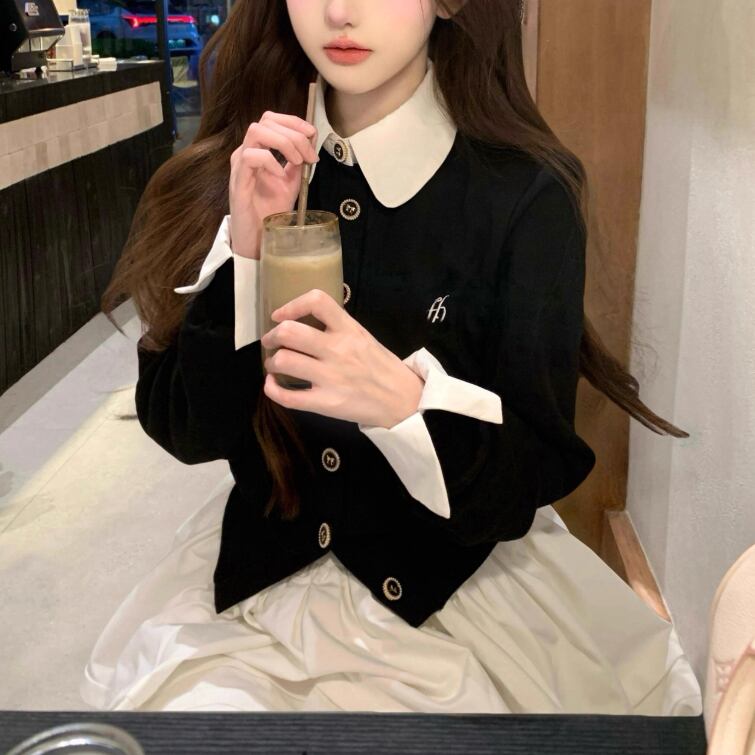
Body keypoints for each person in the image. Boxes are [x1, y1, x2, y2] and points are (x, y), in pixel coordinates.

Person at [83, 0, 704, 714]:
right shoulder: (244, 164)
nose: (339, 12)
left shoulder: (524, 195)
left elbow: (534, 464)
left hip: (458, 605)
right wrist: (246, 257)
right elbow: (186, 429)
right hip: (256, 599)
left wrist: (403, 405)